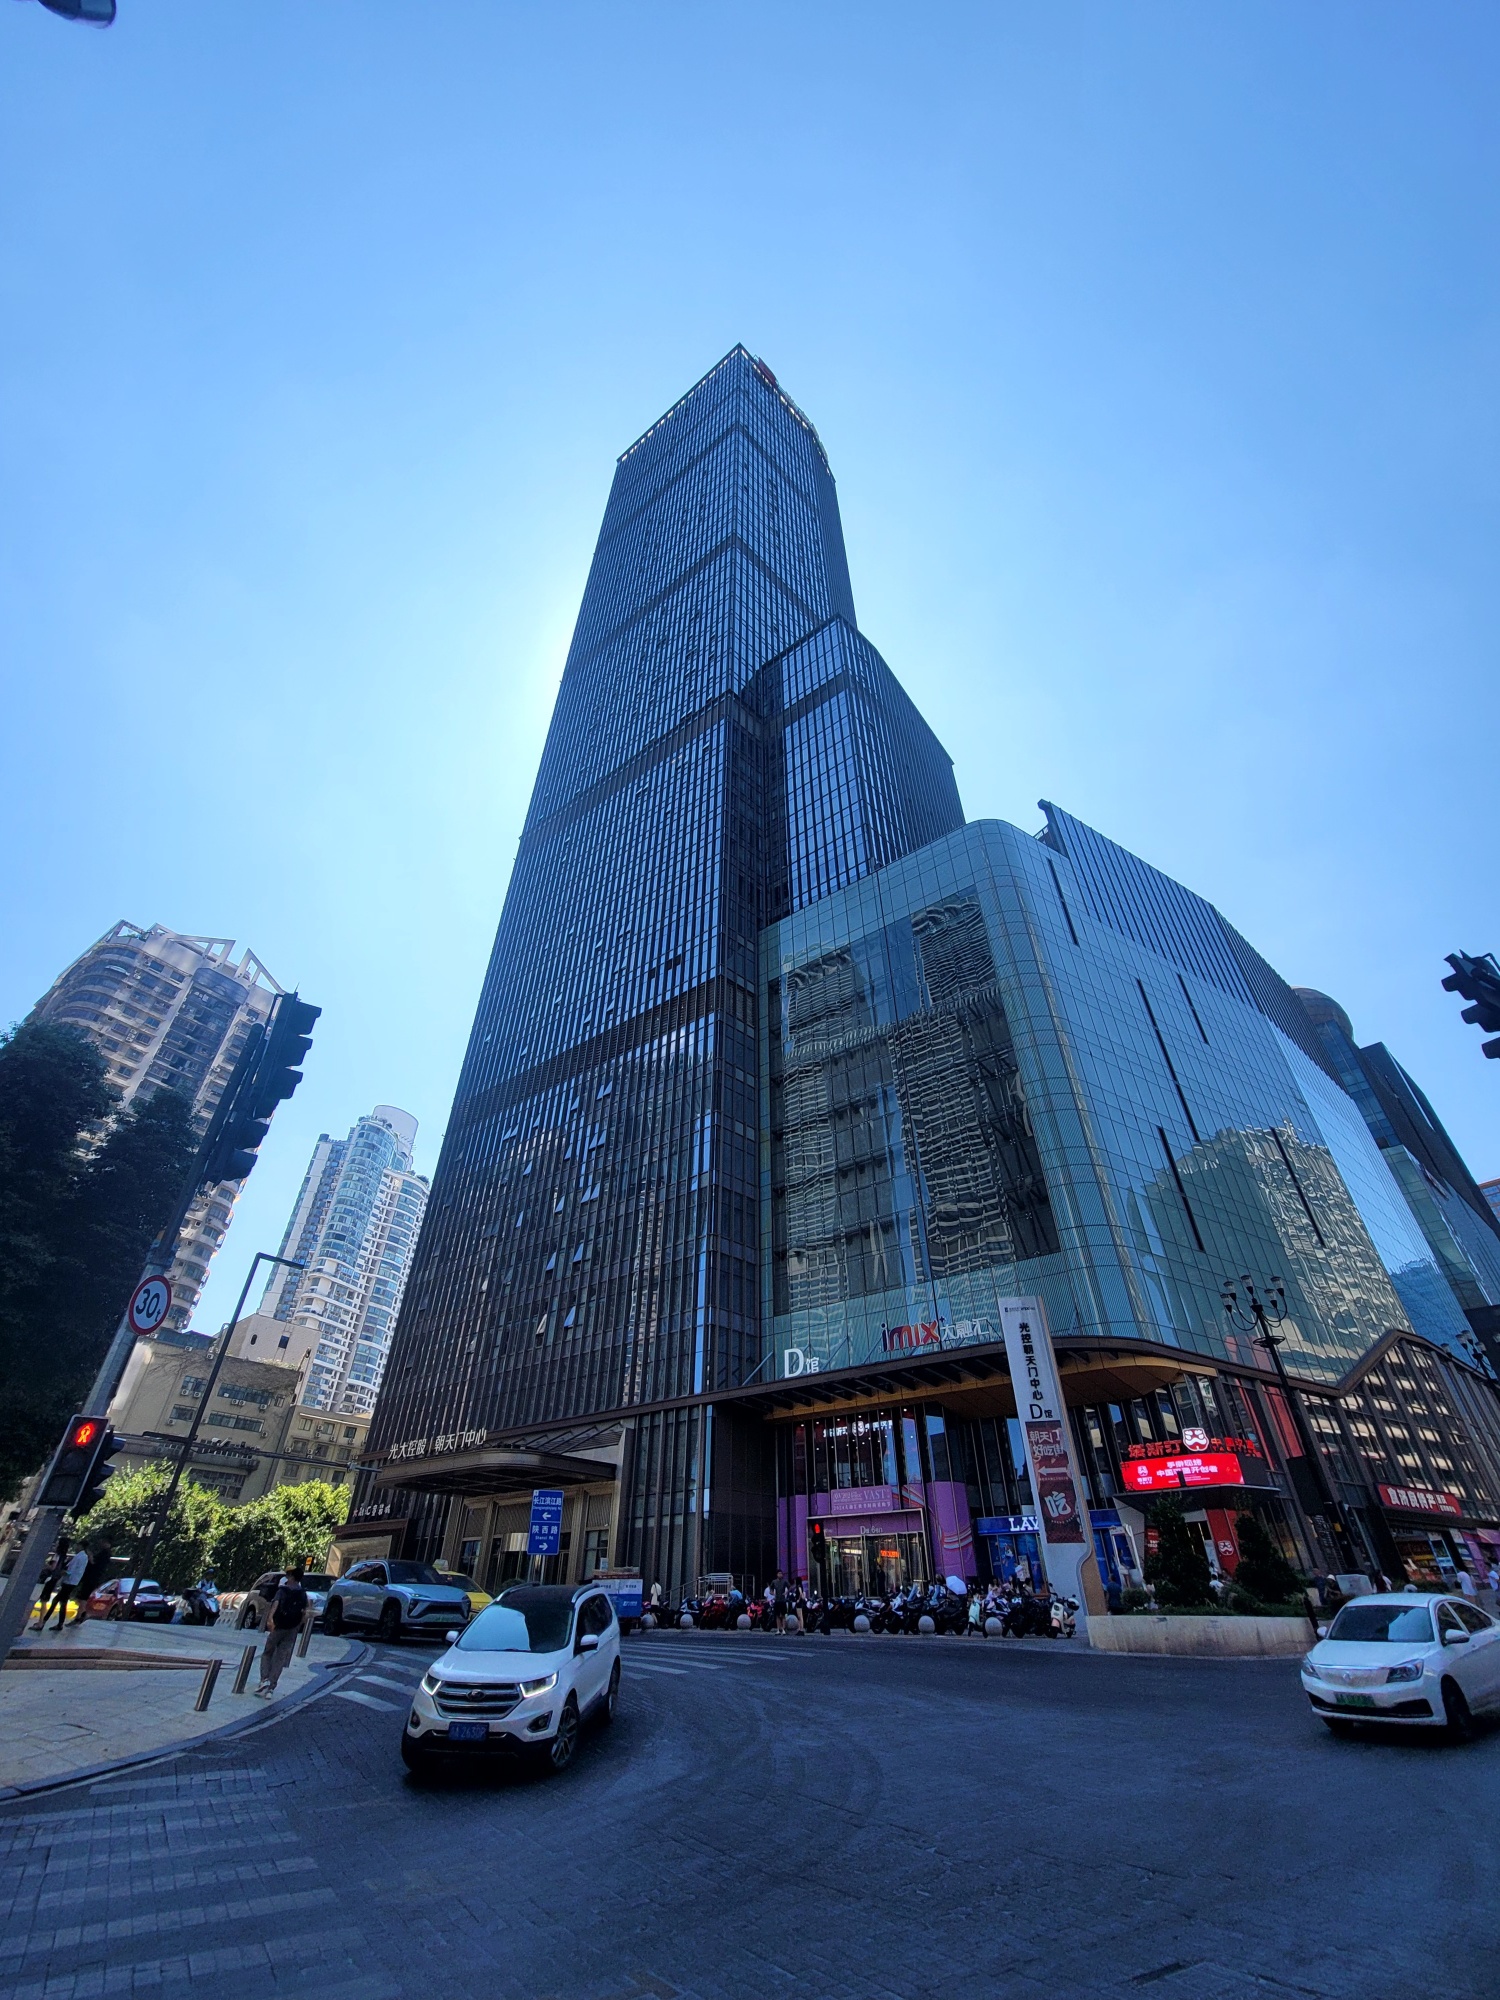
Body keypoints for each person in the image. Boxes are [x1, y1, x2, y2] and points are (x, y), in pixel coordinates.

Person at [256, 1568, 309, 1698]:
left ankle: (264, 1679)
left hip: (279, 1626)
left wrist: (270, 1620)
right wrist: (297, 1626)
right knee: (280, 1657)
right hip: (292, 1628)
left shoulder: (282, 1591)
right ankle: (271, 1688)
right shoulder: (302, 1593)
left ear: (291, 1577)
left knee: (268, 1652)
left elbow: (275, 1605)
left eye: (288, 1575)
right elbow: (305, 1612)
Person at [42, 1545, 89, 1632]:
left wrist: (61, 1573)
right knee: (62, 1602)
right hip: (73, 1582)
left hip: (69, 1582)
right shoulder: (84, 1557)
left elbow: (70, 1571)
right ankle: (58, 1623)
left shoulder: (78, 1557)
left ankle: (44, 1621)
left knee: (56, 1600)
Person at [68, 1544, 114, 1625]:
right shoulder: (105, 1555)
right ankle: (81, 1615)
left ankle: (79, 1616)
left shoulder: (103, 1555)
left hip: (91, 1579)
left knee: (83, 1598)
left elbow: (95, 1564)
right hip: (92, 1579)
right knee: (83, 1598)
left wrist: (91, 1557)